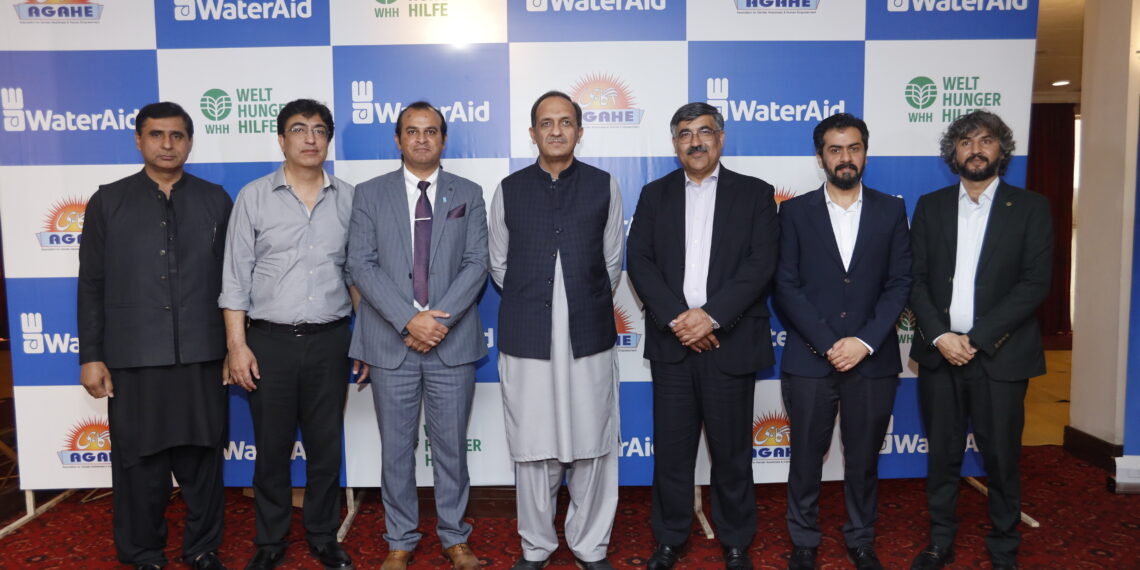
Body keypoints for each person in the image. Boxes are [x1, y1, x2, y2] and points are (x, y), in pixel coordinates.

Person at [78, 101, 230, 570]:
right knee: (139, 466)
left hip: (203, 354)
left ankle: (202, 548)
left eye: (177, 135)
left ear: (190, 142)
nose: (168, 144)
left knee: (203, 461)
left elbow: (235, 281)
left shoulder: (215, 200)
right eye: (157, 135)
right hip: (135, 356)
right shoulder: (108, 201)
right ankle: (143, 552)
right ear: (138, 140)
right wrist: (91, 355)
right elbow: (92, 283)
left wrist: (234, 346)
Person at [626, 102, 779, 570]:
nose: (695, 141)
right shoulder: (654, 194)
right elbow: (640, 261)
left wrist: (710, 318)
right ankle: (670, 538)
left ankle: (736, 540)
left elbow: (761, 264)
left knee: (732, 453)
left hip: (730, 343)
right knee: (672, 453)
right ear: (675, 144)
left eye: (705, 131)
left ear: (721, 138)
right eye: (685, 133)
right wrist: (681, 320)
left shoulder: (755, 193)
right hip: (673, 344)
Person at [907, 110, 1053, 570]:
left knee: (1002, 457)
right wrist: (940, 336)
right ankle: (940, 540)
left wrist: (975, 338)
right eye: (966, 141)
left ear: (1001, 150)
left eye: (986, 140)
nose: (975, 149)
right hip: (941, 355)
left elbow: (1034, 284)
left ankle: (1004, 543)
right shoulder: (930, 206)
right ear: (953, 152)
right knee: (942, 456)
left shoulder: (1030, 207)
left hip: (1001, 355)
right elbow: (915, 279)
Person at [219, 99, 360, 570]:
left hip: (331, 339)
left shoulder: (350, 199)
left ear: (328, 140)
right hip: (269, 342)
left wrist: (363, 339)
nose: (310, 138)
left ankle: (322, 535)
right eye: (299, 129)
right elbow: (235, 278)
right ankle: (270, 540)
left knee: (326, 446)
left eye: (319, 130)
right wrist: (237, 345)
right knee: (272, 448)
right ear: (282, 139)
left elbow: (357, 276)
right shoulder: (254, 197)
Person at [347, 101, 487, 570]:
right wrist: (409, 320)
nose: (421, 139)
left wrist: (436, 323)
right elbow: (360, 264)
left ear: (443, 139)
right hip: (391, 343)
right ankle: (400, 539)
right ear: (398, 139)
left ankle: (455, 537)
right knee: (396, 450)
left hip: (452, 343)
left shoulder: (469, 193)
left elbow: (477, 263)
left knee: (451, 449)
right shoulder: (369, 194)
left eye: (430, 131)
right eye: (412, 131)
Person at [489, 90, 624, 570]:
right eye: (546, 123)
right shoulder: (509, 189)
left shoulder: (604, 185)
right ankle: (536, 547)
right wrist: (539, 302)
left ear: (579, 132)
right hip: (527, 335)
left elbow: (612, 262)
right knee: (533, 447)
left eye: (565, 122)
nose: (556, 130)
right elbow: (498, 264)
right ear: (532, 133)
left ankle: (591, 546)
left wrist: (576, 302)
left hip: (588, 334)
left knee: (593, 444)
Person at [774, 113, 912, 570]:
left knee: (864, 458)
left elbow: (900, 283)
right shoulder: (794, 213)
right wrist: (830, 343)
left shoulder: (891, 210)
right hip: (810, 358)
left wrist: (864, 342)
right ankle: (804, 539)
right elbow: (785, 285)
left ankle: (861, 537)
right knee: (805, 457)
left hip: (872, 359)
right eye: (835, 150)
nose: (845, 157)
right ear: (820, 158)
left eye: (854, 148)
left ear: (865, 153)